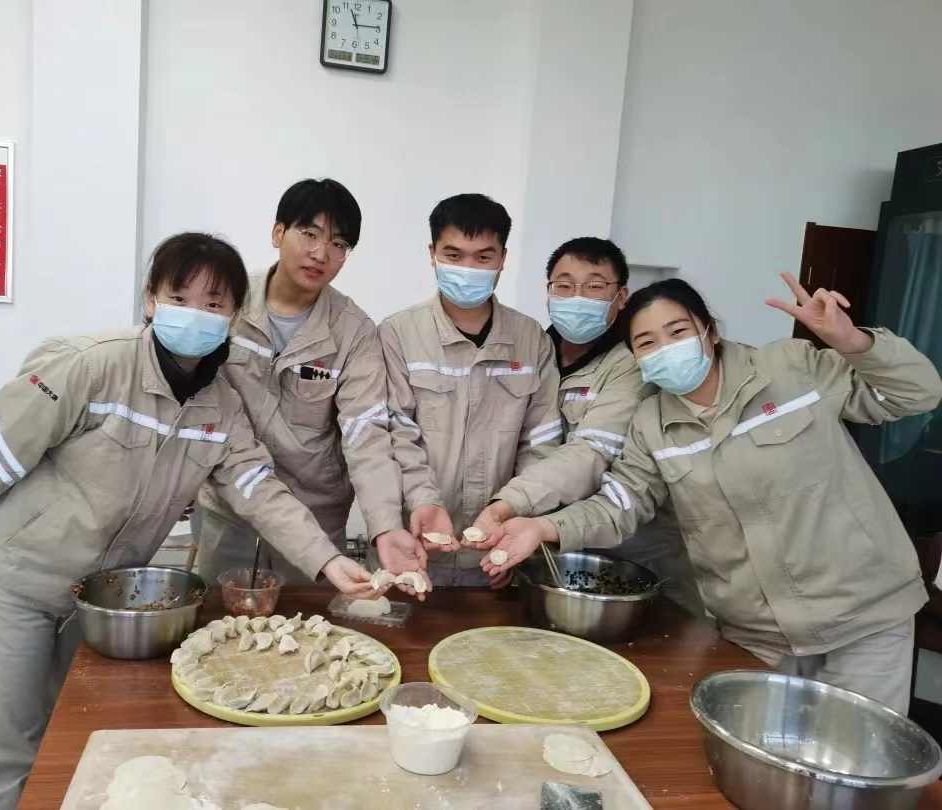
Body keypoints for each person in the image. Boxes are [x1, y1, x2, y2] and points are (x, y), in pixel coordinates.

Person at [0, 233, 381, 810]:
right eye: (180, 298)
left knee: (73, 749)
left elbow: (257, 488)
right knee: (2, 766)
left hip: (98, 601)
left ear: (235, 316)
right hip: (12, 585)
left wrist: (327, 559)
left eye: (214, 304)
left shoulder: (220, 406)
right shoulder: (90, 365)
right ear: (151, 297)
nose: (196, 314)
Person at [481, 274, 942, 713]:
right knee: (758, 761)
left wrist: (852, 341)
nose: (666, 348)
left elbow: (916, 395)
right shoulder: (652, 424)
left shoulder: (790, 367)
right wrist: (543, 526)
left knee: (856, 761)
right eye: (647, 343)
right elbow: (621, 504)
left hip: (863, 619)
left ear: (711, 331)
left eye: (677, 331)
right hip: (757, 634)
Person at [194, 179, 428, 593]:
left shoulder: (353, 332)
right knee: (220, 624)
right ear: (278, 232)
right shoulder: (227, 302)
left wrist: (385, 525)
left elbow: (366, 434)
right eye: (310, 234)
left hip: (316, 520)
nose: (322, 253)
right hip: (231, 513)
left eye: (339, 244)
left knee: (311, 627)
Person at [472, 238, 703, 614]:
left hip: (628, 561)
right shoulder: (533, 354)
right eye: (564, 285)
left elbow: (591, 453)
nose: (577, 297)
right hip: (542, 550)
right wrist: (508, 528)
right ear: (548, 293)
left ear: (621, 296)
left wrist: (509, 505)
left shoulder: (633, 363)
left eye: (594, 286)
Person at [380, 193, 561, 586]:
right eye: (454, 255)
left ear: (503, 258)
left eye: (483, 257)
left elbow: (541, 444)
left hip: (498, 551)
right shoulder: (398, 334)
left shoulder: (532, 340)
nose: (468, 269)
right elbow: (395, 434)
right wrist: (424, 500)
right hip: (415, 546)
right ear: (432, 254)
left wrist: (511, 518)